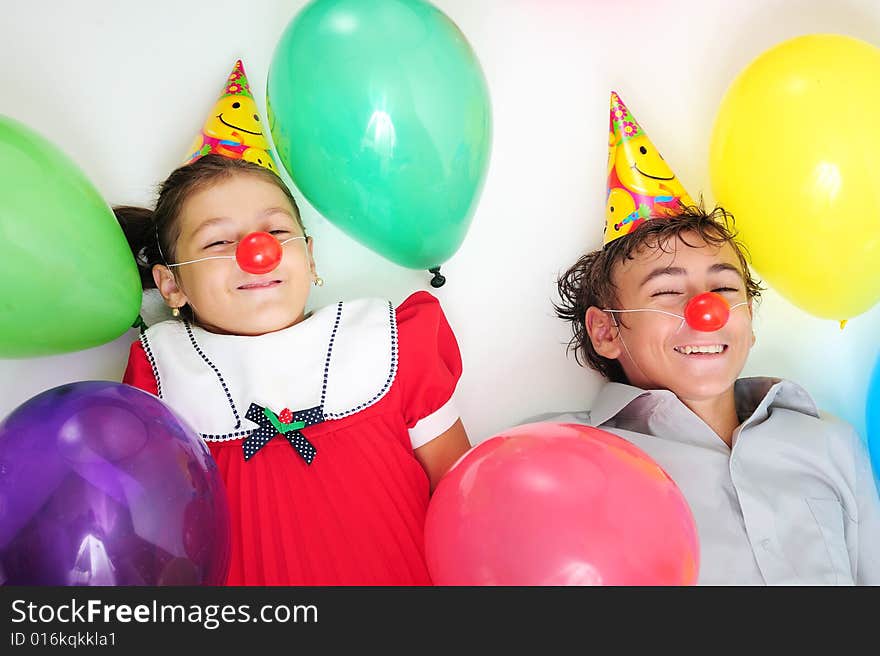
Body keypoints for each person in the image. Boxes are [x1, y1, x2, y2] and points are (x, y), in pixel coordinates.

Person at [117, 149, 470, 585]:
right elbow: (155, 534)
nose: (255, 251)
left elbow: (465, 501)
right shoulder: (161, 373)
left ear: (310, 256)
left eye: (276, 230)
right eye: (218, 241)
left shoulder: (389, 340)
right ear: (171, 285)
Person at [543, 202, 880, 585]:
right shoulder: (562, 458)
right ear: (606, 331)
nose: (707, 310)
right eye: (666, 290)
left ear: (749, 318)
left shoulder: (830, 443)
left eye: (723, 287)